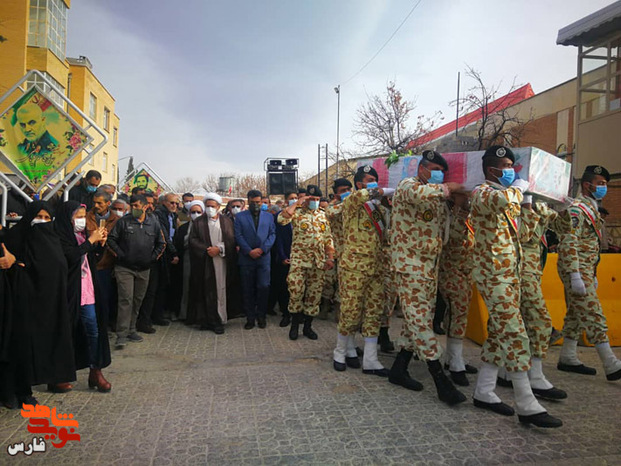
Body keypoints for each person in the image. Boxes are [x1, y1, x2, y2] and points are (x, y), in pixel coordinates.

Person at [470, 145, 561, 428]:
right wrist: (519, 189)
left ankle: (484, 390)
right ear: (491, 170)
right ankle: (525, 402)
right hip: (493, 274)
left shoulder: (509, 199)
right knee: (515, 332)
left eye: (513, 166)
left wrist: (529, 204)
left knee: (499, 333)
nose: (512, 171)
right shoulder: (482, 193)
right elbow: (500, 201)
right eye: (507, 167)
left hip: (511, 274)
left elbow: (525, 235)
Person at [388, 150, 466, 405]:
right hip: (409, 266)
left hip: (429, 268)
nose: (438, 174)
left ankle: (399, 369)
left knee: (416, 320)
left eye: (442, 171)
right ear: (421, 169)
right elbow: (418, 194)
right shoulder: (408, 186)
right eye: (434, 170)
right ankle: (440, 380)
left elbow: (449, 233)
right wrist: (449, 188)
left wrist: (459, 203)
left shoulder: (438, 200)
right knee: (421, 321)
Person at [3, 201, 76, 393]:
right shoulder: (17, 237)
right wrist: (15, 263)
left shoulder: (54, 238)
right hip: (26, 298)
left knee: (55, 336)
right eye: (38, 216)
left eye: (46, 218)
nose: (42, 221)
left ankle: (55, 377)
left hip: (53, 299)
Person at [557, 165, 621, 381]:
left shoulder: (591, 208)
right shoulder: (576, 209)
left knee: (576, 313)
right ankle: (610, 362)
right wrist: (575, 274)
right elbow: (569, 241)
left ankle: (567, 357)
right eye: (600, 183)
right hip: (575, 268)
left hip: (585, 269)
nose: (604, 188)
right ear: (587, 185)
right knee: (593, 313)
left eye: (605, 184)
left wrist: (591, 274)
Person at [504, 197, 570, 400]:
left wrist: (564, 209)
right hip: (519, 268)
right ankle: (535, 376)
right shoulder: (512, 202)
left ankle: (503, 372)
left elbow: (563, 228)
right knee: (540, 321)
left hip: (533, 270)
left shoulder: (540, 205)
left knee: (512, 322)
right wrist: (526, 205)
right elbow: (522, 235)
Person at [332, 165, 393, 376]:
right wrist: (385, 190)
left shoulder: (379, 209)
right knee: (350, 311)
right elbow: (361, 197)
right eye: (369, 179)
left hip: (376, 266)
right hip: (354, 267)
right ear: (359, 184)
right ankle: (340, 352)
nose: (373, 182)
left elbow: (385, 236)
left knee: (374, 311)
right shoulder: (351, 202)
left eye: (375, 179)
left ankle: (370, 360)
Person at [55, 201, 112, 392]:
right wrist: (90, 242)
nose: (81, 221)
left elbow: (91, 258)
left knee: (93, 330)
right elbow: (69, 257)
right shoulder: (60, 236)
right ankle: (60, 374)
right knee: (66, 332)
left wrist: (99, 244)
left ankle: (95, 370)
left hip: (87, 290)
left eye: (83, 216)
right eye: (77, 217)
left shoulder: (83, 236)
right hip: (68, 291)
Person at [107, 194, 166, 349]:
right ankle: (121, 334)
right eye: (132, 205)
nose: (133, 208)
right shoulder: (123, 222)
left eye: (136, 206)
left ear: (145, 207)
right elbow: (111, 240)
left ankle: (132, 329)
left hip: (144, 269)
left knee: (137, 300)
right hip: (124, 268)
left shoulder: (153, 223)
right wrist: (121, 255)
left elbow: (161, 243)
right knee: (125, 299)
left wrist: (151, 258)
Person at [278, 185, 335, 340]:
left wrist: (330, 257)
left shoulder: (323, 215)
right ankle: (294, 326)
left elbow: (328, 238)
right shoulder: (297, 213)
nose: (314, 202)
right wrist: (297, 203)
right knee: (296, 292)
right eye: (311, 199)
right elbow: (281, 220)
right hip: (299, 262)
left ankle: (308, 327)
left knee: (314, 295)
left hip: (318, 262)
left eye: (317, 199)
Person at [437, 192, 477, 386]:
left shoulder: (467, 215)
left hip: (465, 271)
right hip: (451, 271)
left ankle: (453, 357)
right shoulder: (447, 213)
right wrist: (460, 210)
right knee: (457, 314)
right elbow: (452, 237)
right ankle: (455, 363)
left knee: (458, 315)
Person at [188, 193, 242, 333]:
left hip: (221, 260)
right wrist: (207, 249)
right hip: (205, 261)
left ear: (218, 207)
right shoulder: (198, 222)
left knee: (220, 289)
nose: (210, 209)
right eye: (207, 206)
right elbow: (192, 240)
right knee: (205, 289)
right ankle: (206, 320)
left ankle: (219, 319)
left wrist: (219, 249)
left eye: (212, 206)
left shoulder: (226, 221)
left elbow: (231, 239)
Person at [234, 189, 275, 329]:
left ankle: (261, 316)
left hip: (263, 258)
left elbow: (272, 234)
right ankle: (250, 318)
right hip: (246, 258)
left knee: (264, 287)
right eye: (253, 202)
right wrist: (249, 251)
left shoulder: (269, 217)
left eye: (258, 202)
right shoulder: (240, 217)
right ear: (248, 201)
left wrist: (263, 249)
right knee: (247, 289)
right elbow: (238, 235)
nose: (256, 204)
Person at [138, 192, 180, 330]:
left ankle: (157, 315)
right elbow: (164, 237)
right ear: (163, 202)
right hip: (157, 256)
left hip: (166, 256)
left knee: (162, 287)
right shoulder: (158, 215)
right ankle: (145, 320)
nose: (174, 205)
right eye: (171, 202)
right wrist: (174, 252)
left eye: (176, 203)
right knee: (151, 289)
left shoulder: (173, 216)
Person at [86, 189, 122, 332]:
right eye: (94, 202)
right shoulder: (86, 218)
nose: (96, 206)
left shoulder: (117, 220)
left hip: (107, 265)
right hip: (89, 264)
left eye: (100, 203)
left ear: (108, 203)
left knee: (106, 298)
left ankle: (105, 327)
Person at [323, 179, 353, 323]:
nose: (346, 192)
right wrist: (347, 202)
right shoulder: (333, 206)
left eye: (348, 189)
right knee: (328, 281)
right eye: (342, 191)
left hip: (348, 252)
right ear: (336, 194)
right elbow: (329, 213)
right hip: (332, 250)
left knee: (343, 283)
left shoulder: (357, 205)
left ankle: (339, 312)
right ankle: (325, 307)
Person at [174, 200, 204, 320]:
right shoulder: (183, 228)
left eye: (198, 212)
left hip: (203, 260)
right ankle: (185, 314)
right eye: (193, 212)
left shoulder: (207, 227)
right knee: (186, 286)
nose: (196, 214)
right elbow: (179, 243)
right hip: (187, 259)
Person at [273, 191, 297, 327]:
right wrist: (282, 256)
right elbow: (278, 239)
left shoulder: (302, 215)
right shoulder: (280, 216)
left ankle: (297, 315)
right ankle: (286, 314)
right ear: (286, 201)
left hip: (300, 259)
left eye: (296, 198)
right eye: (291, 198)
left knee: (298, 288)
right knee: (284, 287)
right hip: (285, 257)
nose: (294, 200)